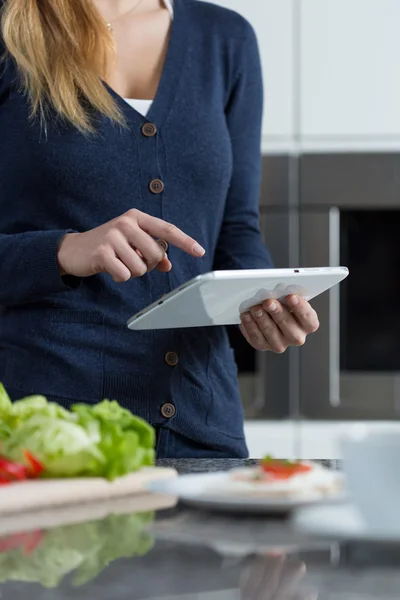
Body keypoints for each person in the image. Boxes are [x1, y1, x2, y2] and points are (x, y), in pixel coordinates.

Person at [0, 0, 319, 458]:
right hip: (52, 436)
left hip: (201, 428)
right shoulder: (12, 30)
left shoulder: (225, 38)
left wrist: (266, 300)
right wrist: (65, 251)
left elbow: (236, 228)